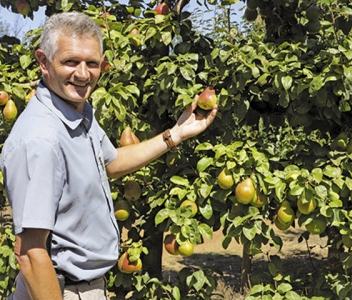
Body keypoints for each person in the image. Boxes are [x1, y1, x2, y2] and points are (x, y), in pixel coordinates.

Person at [0, 11, 218, 300]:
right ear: (43, 62)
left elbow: (111, 163)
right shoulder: (41, 140)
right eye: (70, 62)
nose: (82, 73)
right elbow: (29, 252)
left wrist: (175, 134)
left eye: (91, 63)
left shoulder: (77, 113)